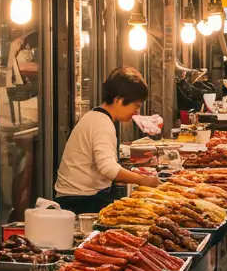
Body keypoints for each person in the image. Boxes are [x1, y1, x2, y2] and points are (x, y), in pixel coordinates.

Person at [55, 67, 161, 213]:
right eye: (136, 106)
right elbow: (108, 168)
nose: (137, 112)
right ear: (118, 100)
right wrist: (143, 180)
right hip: (81, 201)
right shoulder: (102, 123)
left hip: (82, 197)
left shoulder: (97, 117)